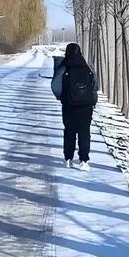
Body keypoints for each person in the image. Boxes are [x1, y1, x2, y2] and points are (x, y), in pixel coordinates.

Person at [54, 42, 98, 170]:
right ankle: (84, 160)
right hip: (86, 107)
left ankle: (68, 159)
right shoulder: (87, 67)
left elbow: (55, 86)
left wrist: (61, 97)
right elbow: (95, 86)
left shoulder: (64, 67)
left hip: (69, 106)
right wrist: (92, 100)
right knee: (85, 133)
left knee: (69, 132)